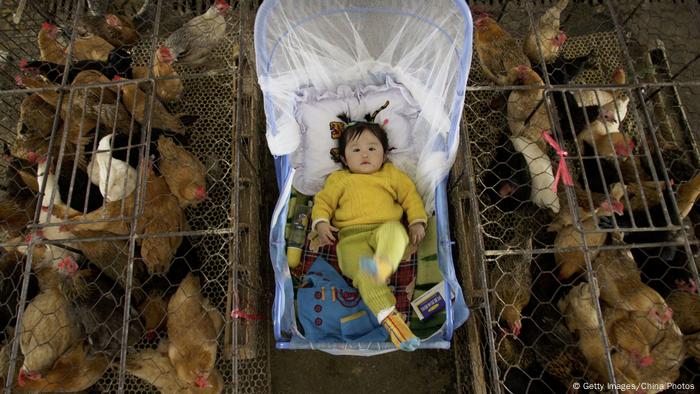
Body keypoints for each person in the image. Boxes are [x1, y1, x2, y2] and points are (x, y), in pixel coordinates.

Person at [311, 113, 427, 351]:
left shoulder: (392, 174)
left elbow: (410, 197)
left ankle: (383, 266)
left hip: (385, 229)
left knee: (397, 232)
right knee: (363, 269)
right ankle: (390, 318)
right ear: (344, 158)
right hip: (352, 237)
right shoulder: (339, 180)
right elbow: (323, 202)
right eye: (355, 151)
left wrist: (417, 221)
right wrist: (321, 222)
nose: (364, 155)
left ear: (384, 155)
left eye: (372, 148)